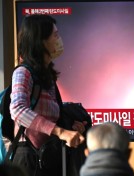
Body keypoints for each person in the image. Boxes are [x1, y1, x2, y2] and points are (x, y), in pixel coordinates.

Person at [9, 14, 85, 176]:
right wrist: (60, 132)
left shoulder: (48, 77)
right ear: (40, 41)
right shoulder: (23, 72)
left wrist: (68, 127)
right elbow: (17, 109)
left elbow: (49, 118)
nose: (60, 40)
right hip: (29, 161)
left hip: (49, 157)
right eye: (55, 35)